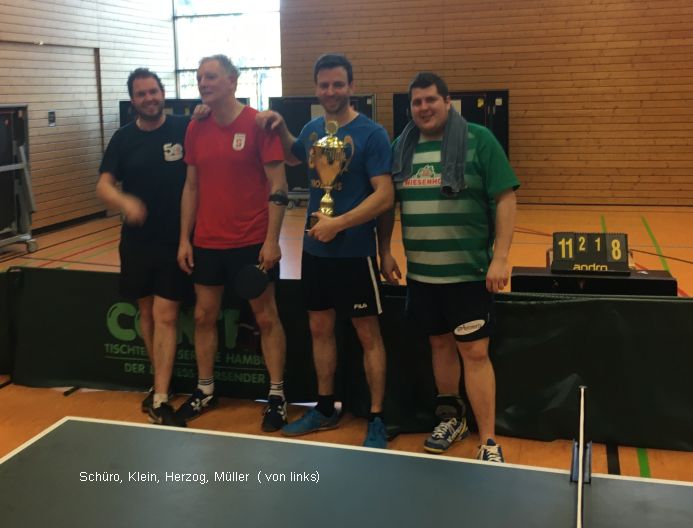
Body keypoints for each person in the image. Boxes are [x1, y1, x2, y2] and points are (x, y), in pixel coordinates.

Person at [379, 72, 519, 462]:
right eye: (416, 102)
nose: (423, 108)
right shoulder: (400, 146)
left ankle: (488, 440)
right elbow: (388, 203)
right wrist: (385, 250)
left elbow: (505, 198)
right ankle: (452, 419)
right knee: (439, 345)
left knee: (474, 353)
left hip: (468, 274)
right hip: (423, 276)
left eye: (431, 100)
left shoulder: (479, 140)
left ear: (447, 101)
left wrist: (500, 258)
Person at [256, 53, 394, 448]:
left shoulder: (372, 134)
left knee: (368, 334)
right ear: (316, 88)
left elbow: (385, 195)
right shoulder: (313, 129)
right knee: (319, 329)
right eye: (324, 85)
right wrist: (281, 127)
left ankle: (377, 416)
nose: (330, 91)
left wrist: (340, 223)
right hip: (316, 253)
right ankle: (324, 408)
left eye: (338, 84)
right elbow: (295, 153)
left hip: (355, 252)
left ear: (352, 87)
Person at [177, 54, 289, 432]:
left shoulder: (259, 125)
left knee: (266, 318)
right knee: (203, 317)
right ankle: (205, 389)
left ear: (232, 81)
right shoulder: (196, 127)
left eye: (211, 76)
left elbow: (279, 185)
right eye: (199, 77)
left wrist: (272, 241)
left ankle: (277, 395)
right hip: (208, 242)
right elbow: (191, 187)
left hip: (251, 241)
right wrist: (185, 239)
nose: (203, 83)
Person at [96, 68, 190, 427]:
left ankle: (161, 396)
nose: (149, 98)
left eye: (153, 91)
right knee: (148, 315)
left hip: (175, 241)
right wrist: (125, 202)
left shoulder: (184, 128)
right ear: (133, 100)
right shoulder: (123, 139)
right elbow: (103, 185)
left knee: (166, 315)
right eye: (141, 94)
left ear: (163, 93)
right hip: (137, 243)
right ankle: (160, 382)